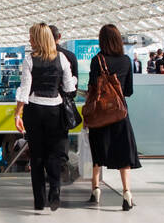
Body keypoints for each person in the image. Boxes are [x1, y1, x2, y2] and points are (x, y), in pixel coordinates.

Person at [14, 23, 76, 212]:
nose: (29, 40)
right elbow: (69, 88)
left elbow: (24, 90)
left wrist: (18, 113)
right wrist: (70, 82)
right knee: (54, 154)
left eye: (32, 37)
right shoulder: (62, 58)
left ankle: (39, 200)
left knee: (37, 156)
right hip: (55, 110)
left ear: (38, 39)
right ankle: (55, 190)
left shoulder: (29, 60)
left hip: (34, 110)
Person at [85, 23, 140, 210]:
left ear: (102, 40)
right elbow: (129, 91)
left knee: (98, 153)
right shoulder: (126, 60)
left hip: (100, 115)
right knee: (124, 155)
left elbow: (93, 87)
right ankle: (126, 193)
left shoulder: (97, 60)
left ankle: (96, 190)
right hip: (120, 115)